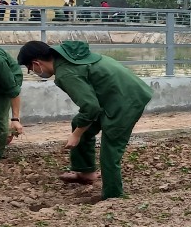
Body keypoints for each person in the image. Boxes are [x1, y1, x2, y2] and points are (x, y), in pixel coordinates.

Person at [16, 40, 153, 200]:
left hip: (127, 100)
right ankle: (86, 172)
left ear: (36, 63)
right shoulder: (67, 57)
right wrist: (79, 129)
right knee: (78, 123)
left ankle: (113, 196)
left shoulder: (66, 73)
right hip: (116, 94)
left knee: (110, 149)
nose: (34, 72)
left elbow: (91, 108)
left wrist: (76, 135)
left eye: (31, 69)